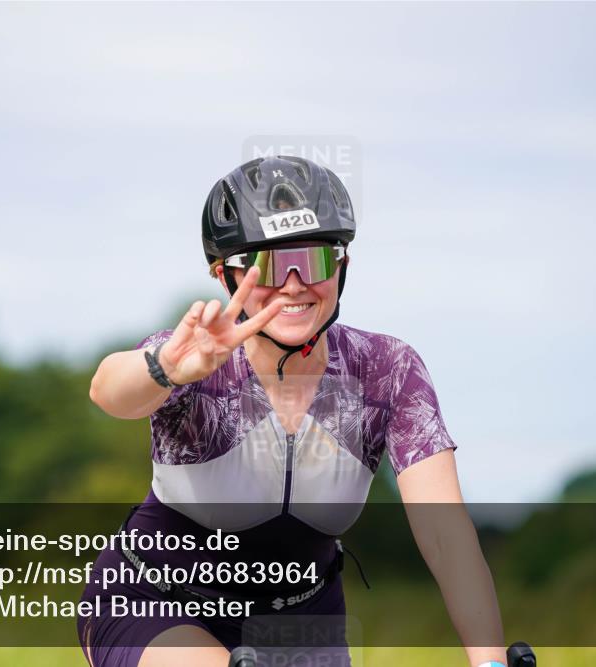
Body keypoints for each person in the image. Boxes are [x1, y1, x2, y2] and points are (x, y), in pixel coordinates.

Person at [80, 156, 509, 667]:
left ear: (342, 265)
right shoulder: (196, 354)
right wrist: (166, 366)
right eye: (266, 265)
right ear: (226, 275)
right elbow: (109, 391)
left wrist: (489, 661)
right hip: (154, 603)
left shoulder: (387, 370)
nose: (292, 284)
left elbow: (445, 532)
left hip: (303, 619)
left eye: (314, 261)